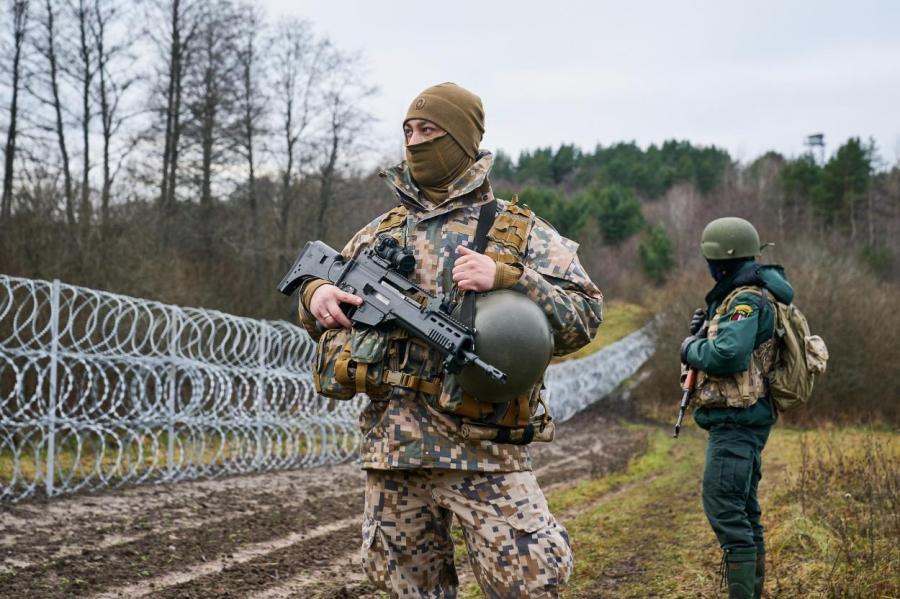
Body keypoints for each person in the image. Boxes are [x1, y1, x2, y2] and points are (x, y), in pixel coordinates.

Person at [295, 82, 603, 598]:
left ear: (462, 139)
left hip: (484, 452)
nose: (414, 142)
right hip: (394, 455)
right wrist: (316, 295)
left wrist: (513, 278)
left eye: (428, 130)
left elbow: (586, 317)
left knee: (530, 583)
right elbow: (318, 303)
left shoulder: (518, 232)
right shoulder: (380, 234)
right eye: (408, 131)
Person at [679, 217, 794, 599]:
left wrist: (690, 348)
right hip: (743, 420)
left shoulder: (746, 298)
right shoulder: (748, 295)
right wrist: (709, 324)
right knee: (744, 511)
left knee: (726, 511)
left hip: (737, 422)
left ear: (722, 261)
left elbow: (728, 354)